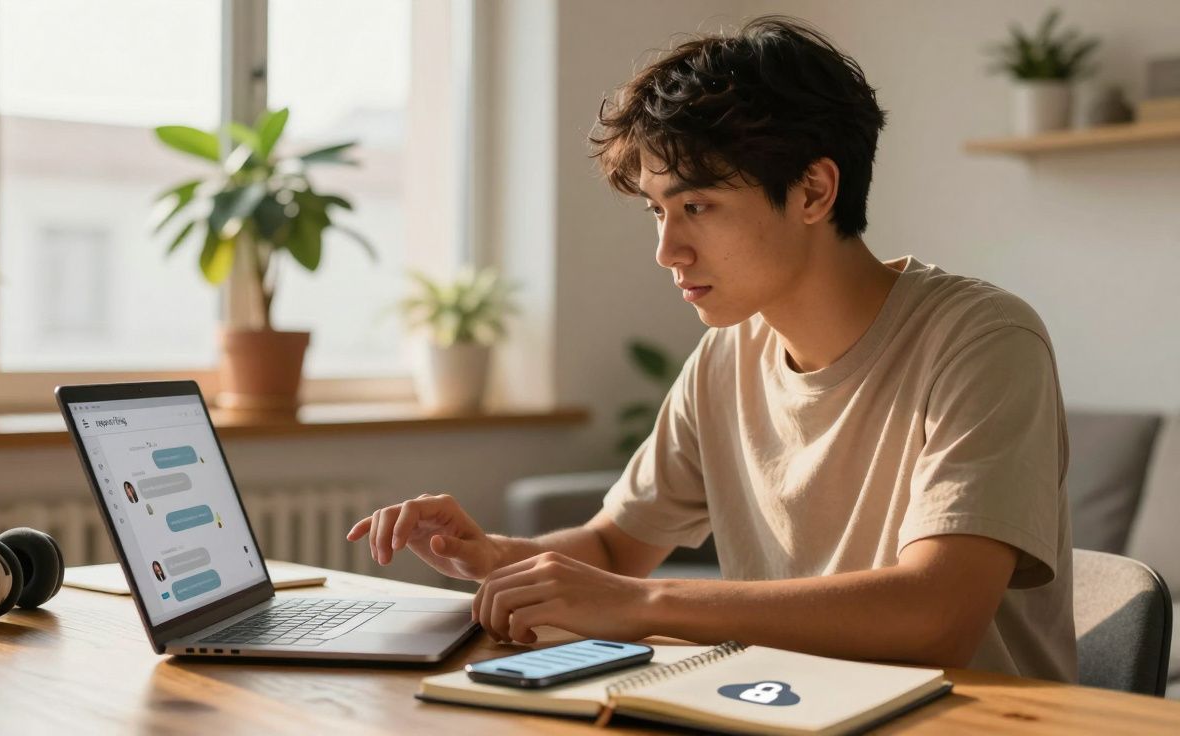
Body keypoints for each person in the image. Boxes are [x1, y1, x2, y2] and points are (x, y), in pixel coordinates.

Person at [347, 15, 1074, 682]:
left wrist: (646, 604)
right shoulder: (727, 358)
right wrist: (496, 558)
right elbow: (615, 547)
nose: (667, 250)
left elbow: (937, 615)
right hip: (791, 708)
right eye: (657, 211)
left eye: (697, 206)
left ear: (814, 192)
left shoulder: (982, 341)